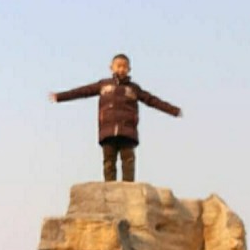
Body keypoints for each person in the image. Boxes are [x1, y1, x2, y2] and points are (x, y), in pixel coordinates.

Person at [49, 53, 182, 182]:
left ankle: (129, 188)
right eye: (118, 66)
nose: (121, 69)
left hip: (127, 131)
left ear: (129, 69)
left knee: (128, 160)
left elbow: (152, 101)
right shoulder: (103, 85)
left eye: (124, 66)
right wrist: (59, 97)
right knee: (109, 161)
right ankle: (109, 187)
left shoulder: (133, 89)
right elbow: (82, 92)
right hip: (107, 131)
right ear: (111, 67)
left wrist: (174, 111)